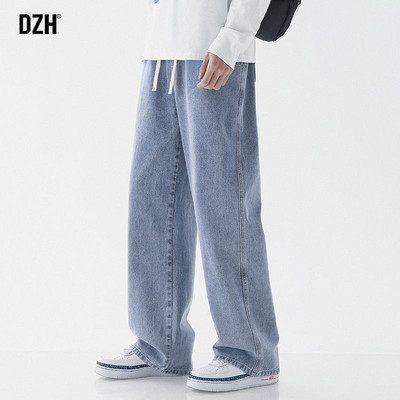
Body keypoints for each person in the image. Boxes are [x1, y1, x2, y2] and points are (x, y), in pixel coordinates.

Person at [95, 0, 280, 392]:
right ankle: (159, 345)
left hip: (213, 49)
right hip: (160, 53)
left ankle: (251, 353)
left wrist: (232, 39)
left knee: (224, 203)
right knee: (151, 202)